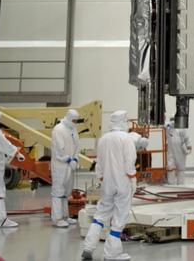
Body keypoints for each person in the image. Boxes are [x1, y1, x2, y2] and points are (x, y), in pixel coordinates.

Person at [83, 110, 138, 261]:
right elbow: (129, 163)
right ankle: (112, 253)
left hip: (106, 182)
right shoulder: (126, 139)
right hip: (122, 182)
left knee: (100, 215)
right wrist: (133, 179)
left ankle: (88, 247)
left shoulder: (103, 139)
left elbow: (99, 164)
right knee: (119, 217)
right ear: (123, 121)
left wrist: (101, 178)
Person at [50, 108, 80, 227]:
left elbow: (77, 146)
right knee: (58, 191)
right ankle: (57, 218)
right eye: (73, 120)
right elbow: (58, 149)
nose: (75, 123)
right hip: (60, 165)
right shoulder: (59, 129)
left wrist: (75, 159)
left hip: (70, 165)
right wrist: (68, 159)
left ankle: (65, 216)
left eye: (77, 121)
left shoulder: (73, 129)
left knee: (66, 191)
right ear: (67, 117)